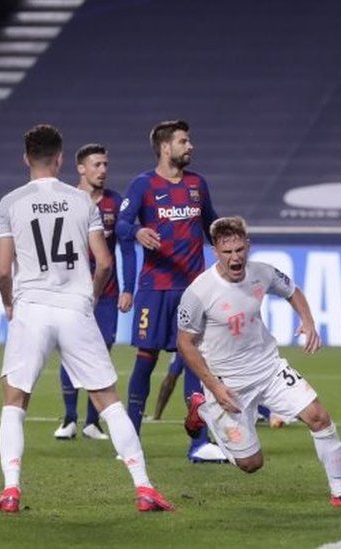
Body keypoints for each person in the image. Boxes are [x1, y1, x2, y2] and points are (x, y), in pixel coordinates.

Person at [0, 124, 173, 513]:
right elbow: (104, 262)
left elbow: (3, 270)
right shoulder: (81, 201)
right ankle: (144, 487)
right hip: (75, 307)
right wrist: (90, 297)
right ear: (59, 159)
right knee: (108, 400)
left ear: (25, 158)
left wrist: (8, 303)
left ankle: (11, 489)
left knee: (14, 401)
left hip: (32, 308)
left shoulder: (10, 203)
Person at [179, 216, 341, 507]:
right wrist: (214, 387)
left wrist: (308, 321)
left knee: (319, 417)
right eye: (227, 251)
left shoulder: (263, 272)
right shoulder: (199, 292)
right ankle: (203, 410)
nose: (235, 258)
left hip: (269, 369)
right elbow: (185, 343)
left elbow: (292, 290)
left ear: (248, 246)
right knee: (251, 464)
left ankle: (340, 491)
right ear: (215, 251)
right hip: (227, 383)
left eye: (239, 250)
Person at [116, 119, 226, 462]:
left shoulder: (197, 184)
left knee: (194, 361)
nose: (190, 146)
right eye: (183, 141)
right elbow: (121, 223)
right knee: (145, 360)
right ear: (166, 147)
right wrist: (137, 232)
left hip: (193, 290)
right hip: (155, 289)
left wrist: (229, 246)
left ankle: (199, 443)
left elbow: (212, 226)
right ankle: (130, 440)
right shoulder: (143, 184)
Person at [53, 144, 135, 441]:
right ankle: (69, 418)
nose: (102, 170)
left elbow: (127, 249)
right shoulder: (65, 201)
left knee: (100, 353)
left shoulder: (116, 202)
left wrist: (129, 288)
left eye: (105, 165)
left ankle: (92, 422)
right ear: (81, 169)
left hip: (107, 292)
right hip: (72, 291)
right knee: (70, 350)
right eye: (96, 165)